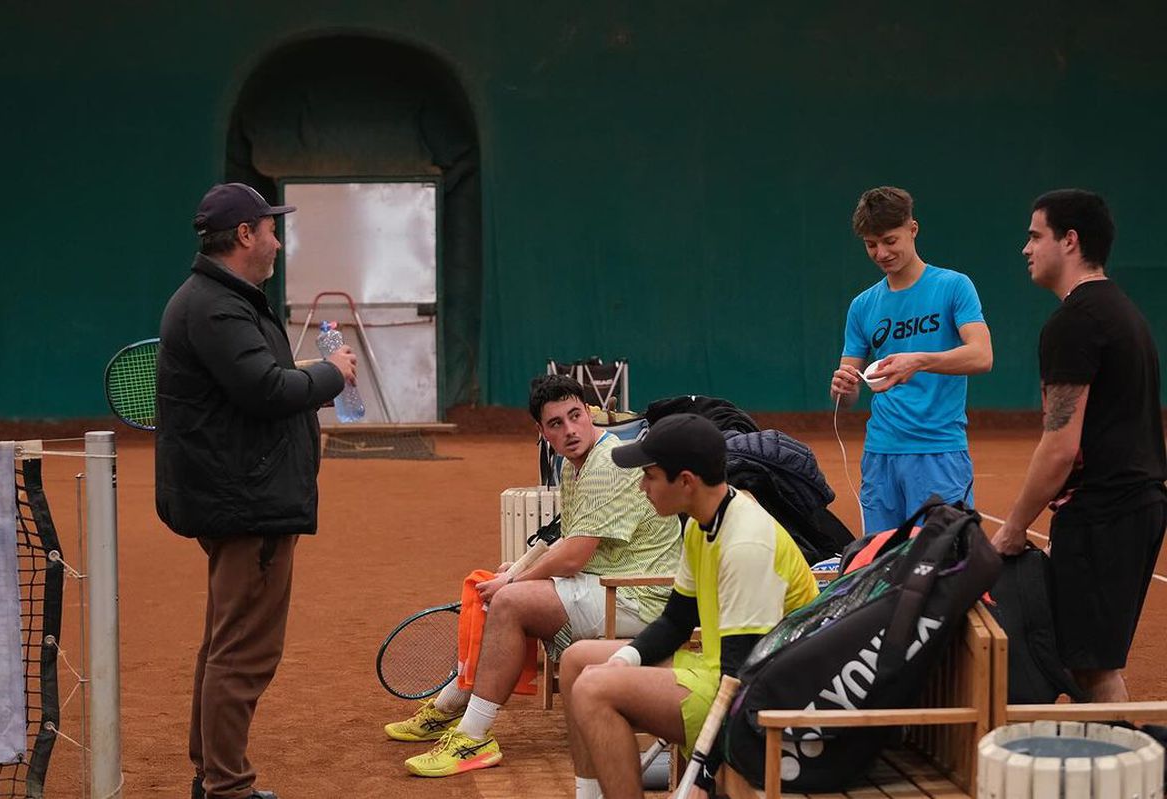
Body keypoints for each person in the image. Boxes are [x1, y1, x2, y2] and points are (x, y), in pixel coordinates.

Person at [156, 182, 358, 799]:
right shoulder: (217, 307)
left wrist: (304, 379)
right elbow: (267, 391)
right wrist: (331, 374)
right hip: (248, 504)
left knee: (226, 644)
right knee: (244, 654)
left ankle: (211, 777)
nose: (277, 238)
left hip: (240, 497)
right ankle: (228, 788)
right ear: (244, 234)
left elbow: (257, 383)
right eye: (270, 227)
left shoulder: (223, 300)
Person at [388, 374, 682, 777]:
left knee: (509, 601)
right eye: (556, 423)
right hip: (605, 584)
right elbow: (567, 537)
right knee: (494, 589)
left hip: (638, 596)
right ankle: (449, 707)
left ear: (589, 413)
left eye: (575, 416)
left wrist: (514, 583)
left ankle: (472, 737)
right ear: (542, 432)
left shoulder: (608, 465)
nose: (570, 430)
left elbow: (574, 556)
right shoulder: (571, 467)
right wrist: (520, 568)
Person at [561, 413, 818, 799]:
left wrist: (704, 772)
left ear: (685, 482)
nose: (641, 487)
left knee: (594, 689)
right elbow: (677, 621)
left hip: (764, 702)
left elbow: (742, 679)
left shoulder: (746, 544)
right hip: (719, 670)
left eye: (649, 476)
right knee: (577, 660)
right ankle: (589, 793)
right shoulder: (702, 522)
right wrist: (628, 659)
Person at [991, 189, 1166, 703]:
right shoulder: (1121, 312)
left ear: (1069, 240)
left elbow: (1060, 446)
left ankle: (1120, 780)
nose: (1026, 248)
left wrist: (1015, 526)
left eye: (1034, 235)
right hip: (1129, 508)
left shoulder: (1075, 322)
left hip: (1106, 515)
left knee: (1092, 670)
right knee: (1088, 663)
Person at [830, 186, 993, 534]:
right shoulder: (862, 306)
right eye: (871, 244)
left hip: (939, 452)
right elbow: (847, 395)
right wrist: (842, 388)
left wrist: (917, 361)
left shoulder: (953, 286)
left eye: (890, 240)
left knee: (944, 568)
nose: (881, 252)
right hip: (880, 456)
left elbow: (981, 355)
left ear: (912, 229)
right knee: (881, 569)